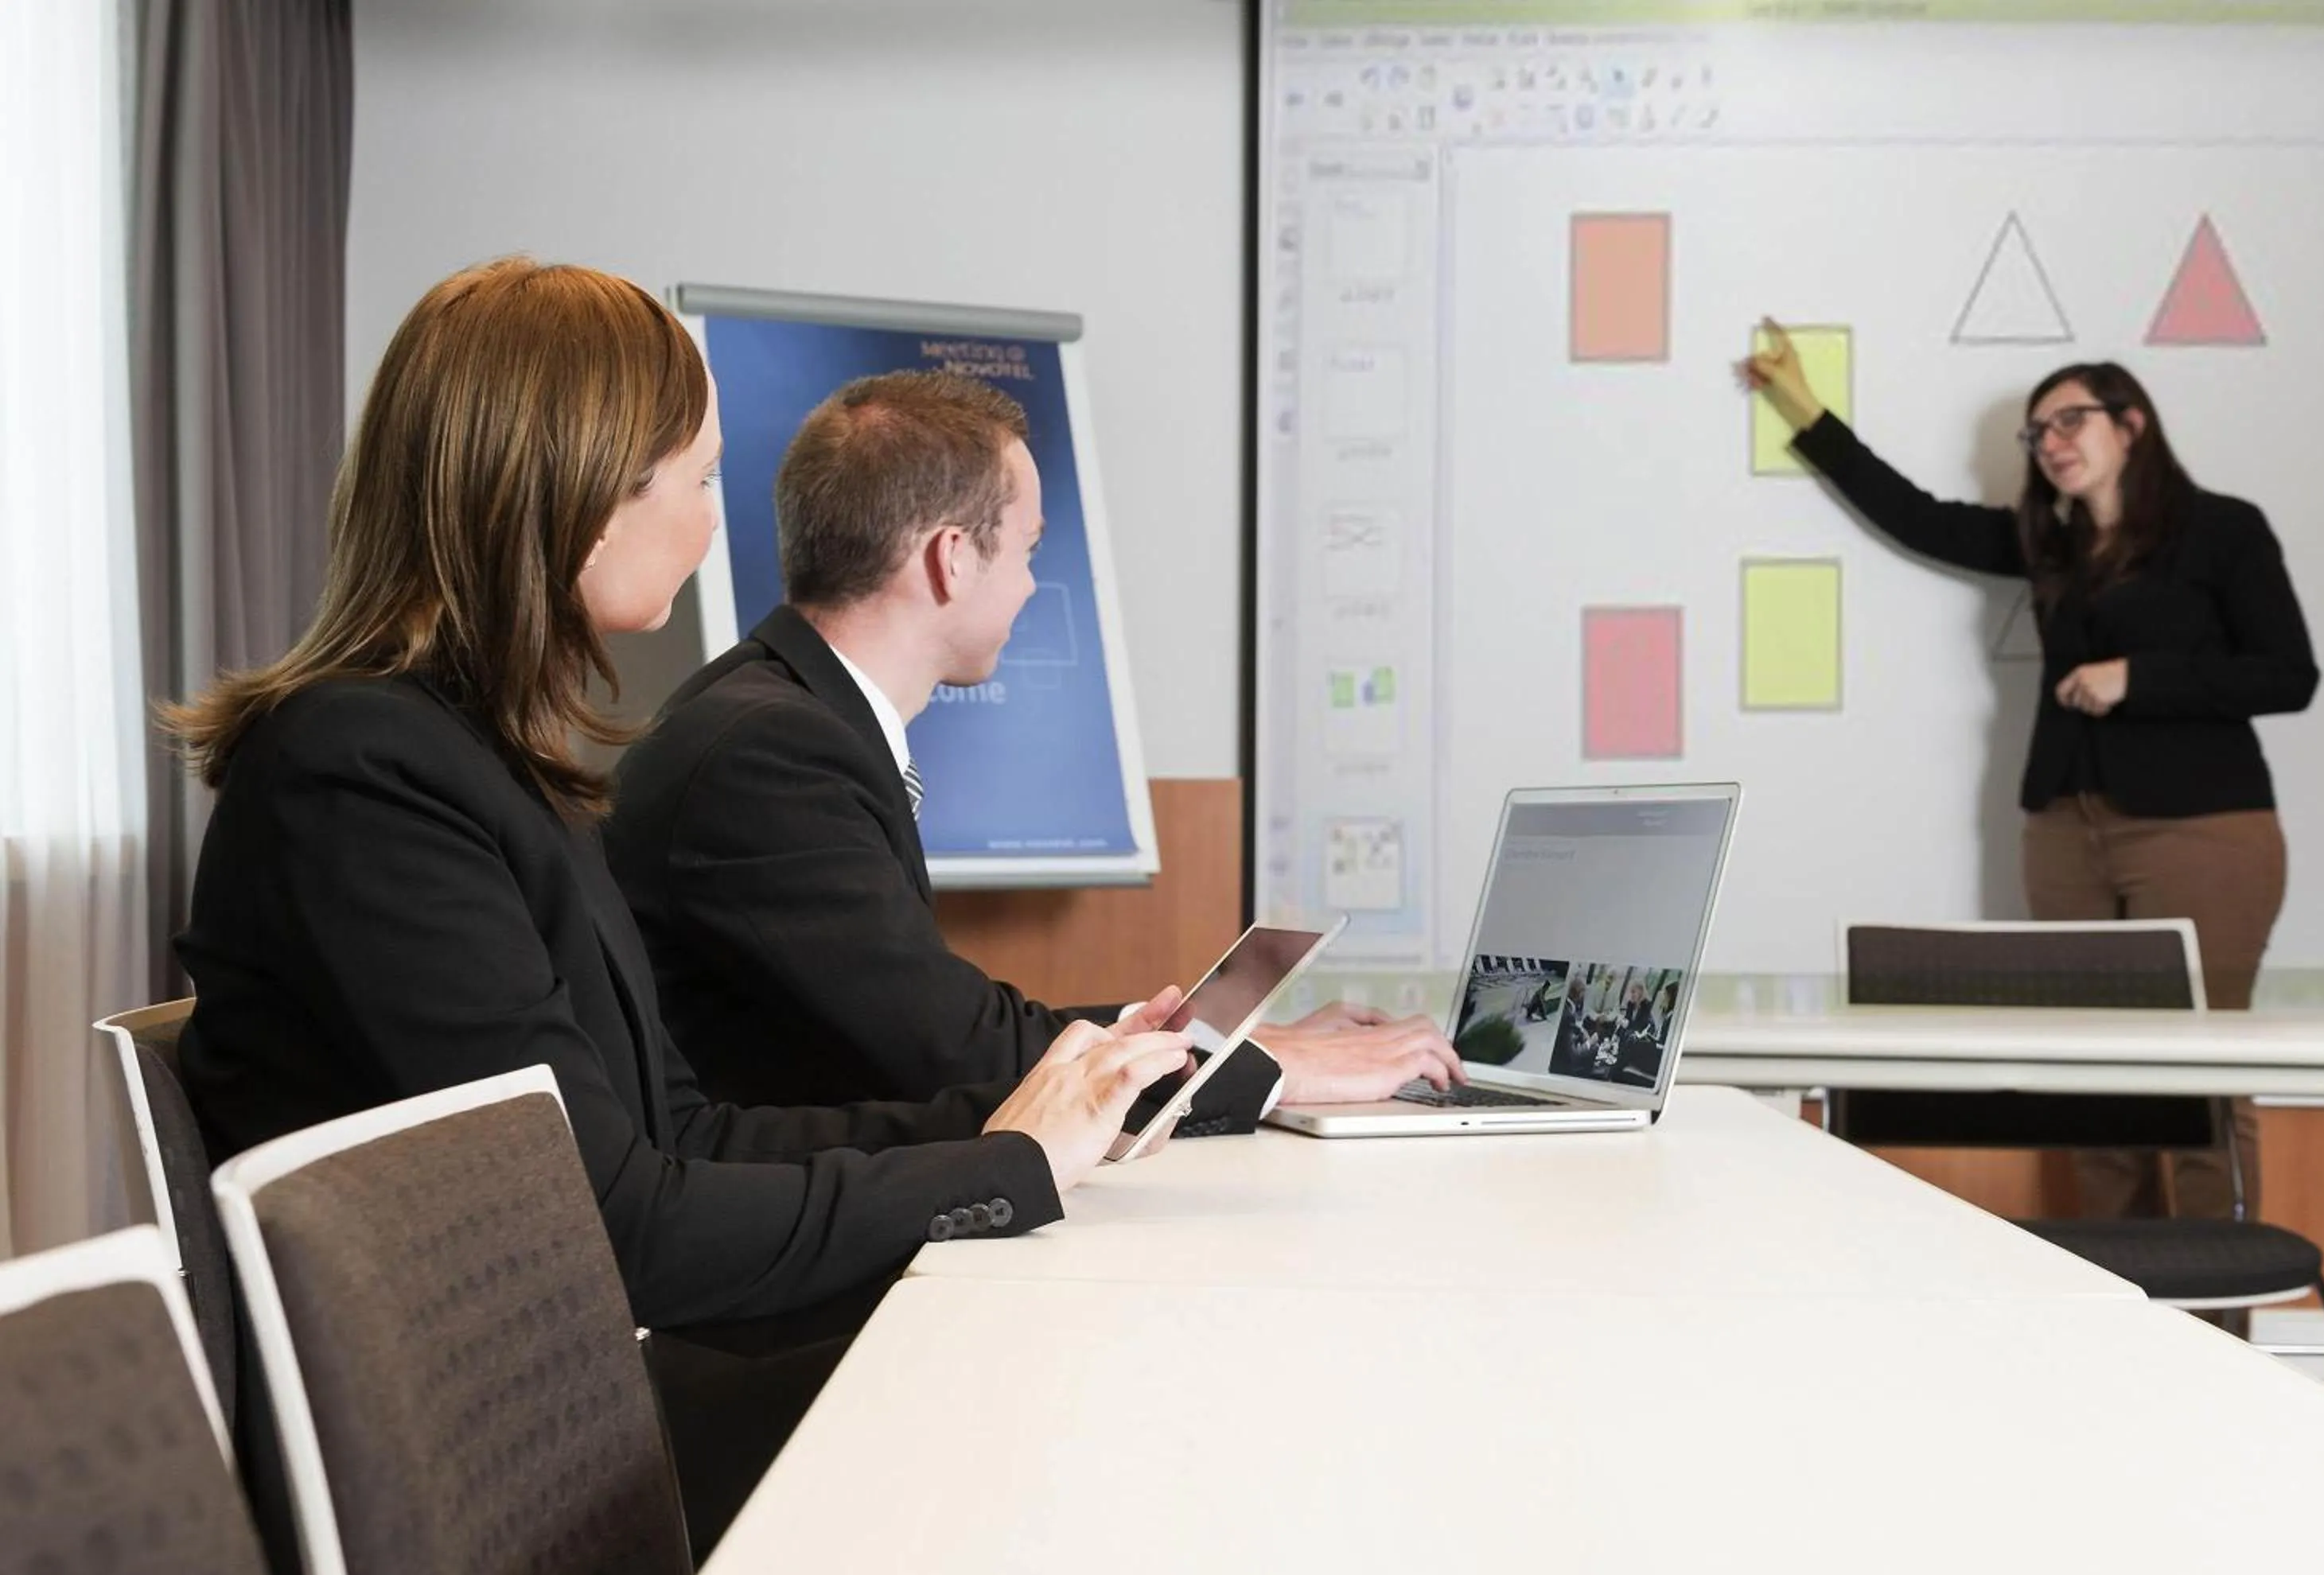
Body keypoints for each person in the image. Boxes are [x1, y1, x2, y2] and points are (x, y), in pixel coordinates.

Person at [166, 260, 1193, 1337]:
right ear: (584, 488)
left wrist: (1032, 1128)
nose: (713, 528)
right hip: (522, 1454)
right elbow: (612, 1229)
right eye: (699, 480)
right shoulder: (364, 776)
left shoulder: (497, 762)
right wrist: (1011, 1162)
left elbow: (682, 1136)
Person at [605, 369, 1462, 1118]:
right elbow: (952, 1049)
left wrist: (1221, 1041)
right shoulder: (769, 753)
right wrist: (1266, 1072)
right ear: (950, 559)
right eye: (1027, 551)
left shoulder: (776, 711)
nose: (1030, 587)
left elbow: (934, 1024)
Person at [1741, 321, 2319, 1219]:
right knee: (2094, 1078)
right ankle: (2124, 1316)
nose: (2050, 443)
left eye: (2070, 422)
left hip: (2203, 832)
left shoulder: (2224, 531)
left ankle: (2219, 1325)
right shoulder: (2049, 546)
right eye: (2036, 433)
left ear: (2131, 425)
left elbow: (2290, 676)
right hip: (2064, 833)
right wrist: (1802, 408)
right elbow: (1915, 515)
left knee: (2206, 1077)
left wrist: (2141, 678)